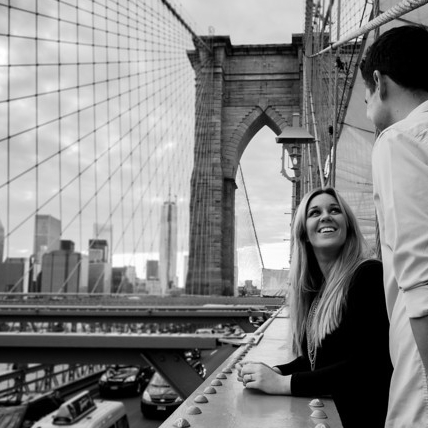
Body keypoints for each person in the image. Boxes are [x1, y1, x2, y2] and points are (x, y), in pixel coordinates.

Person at [237, 187, 392, 428]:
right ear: (304, 234)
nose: (326, 216)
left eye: (334, 210)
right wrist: (276, 371)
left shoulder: (368, 274)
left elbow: (369, 364)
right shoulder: (321, 292)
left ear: (348, 225)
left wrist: (284, 384)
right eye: (315, 212)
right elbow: (319, 359)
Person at [360, 25, 428, 427]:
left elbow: (423, 284)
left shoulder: (398, 140)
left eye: (365, 93)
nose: (365, 103)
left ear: (379, 81)